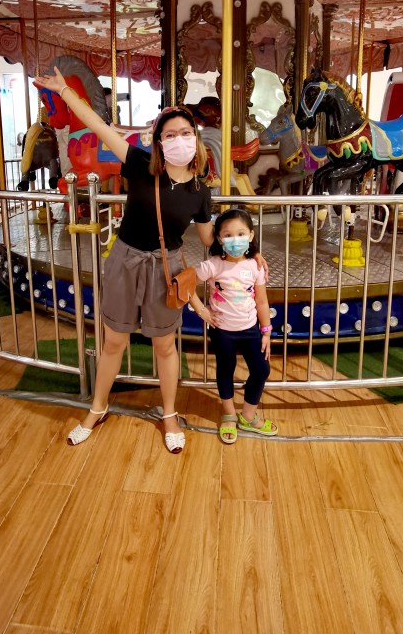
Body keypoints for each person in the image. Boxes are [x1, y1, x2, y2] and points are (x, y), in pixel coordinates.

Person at [33, 64, 214, 453]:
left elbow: (208, 239)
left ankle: (168, 414)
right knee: (113, 341)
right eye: (170, 134)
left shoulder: (200, 190)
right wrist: (65, 92)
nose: (178, 139)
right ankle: (97, 407)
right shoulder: (139, 165)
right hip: (125, 259)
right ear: (159, 140)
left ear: (194, 139)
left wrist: (242, 251)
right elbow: (98, 125)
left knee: (166, 346)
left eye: (185, 133)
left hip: (164, 269)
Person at [188, 207, 277, 444]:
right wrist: (202, 311)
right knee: (225, 370)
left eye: (240, 233)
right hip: (222, 330)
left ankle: (247, 416)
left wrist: (266, 331)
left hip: (250, 330)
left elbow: (261, 300)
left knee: (261, 370)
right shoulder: (212, 265)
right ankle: (228, 414)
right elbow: (186, 285)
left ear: (250, 235)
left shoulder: (254, 266)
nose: (234, 239)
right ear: (219, 238)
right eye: (227, 235)